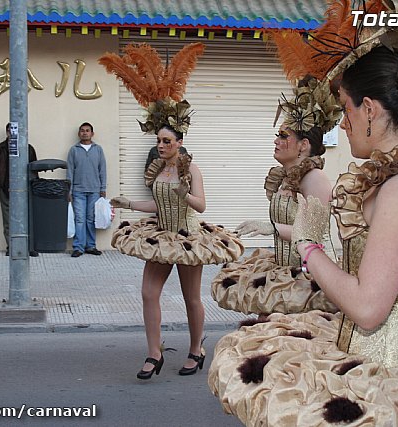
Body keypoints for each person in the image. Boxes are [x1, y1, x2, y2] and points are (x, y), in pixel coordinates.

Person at [208, 1, 398, 425]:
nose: (341, 124)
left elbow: (367, 308)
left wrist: (308, 247)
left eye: (345, 109)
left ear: (370, 109)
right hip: (365, 356)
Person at [100, 42, 244, 380]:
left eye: (167, 141)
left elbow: (200, 205)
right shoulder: (156, 168)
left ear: (179, 141)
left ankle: (197, 348)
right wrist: (128, 204)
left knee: (191, 297)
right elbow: (157, 203)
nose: (161, 145)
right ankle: (154, 353)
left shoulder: (191, 169)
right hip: (162, 234)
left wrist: (185, 193)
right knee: (148, 293)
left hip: (188, 235)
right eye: (158, 140)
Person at [211, 76, 340, 317]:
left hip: (307, 278)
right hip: (282, 271)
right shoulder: (284, 176)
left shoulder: (314, 178)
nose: (276, 140)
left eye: (283, 136)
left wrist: (271, 228)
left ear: (303, 145)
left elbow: (316, 237)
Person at [0, 123, 39, 257]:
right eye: (10, 131)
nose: (13, 134)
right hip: (6, 190)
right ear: (7, 132)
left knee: (27, 219)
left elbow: (34, 170)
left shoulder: (28, 149)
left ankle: (29, 247)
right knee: (8, 221)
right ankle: (11, 247)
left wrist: (33, 187)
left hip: (25, 191)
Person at [66, 122, 107, 258]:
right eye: (82, 131)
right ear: (79, 134)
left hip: (94, 190)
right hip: (78, 190)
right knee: (80, 219)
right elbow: (70, 171)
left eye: (87, 131)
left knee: (91, 219)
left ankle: (91, 246)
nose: (85, 133)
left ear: (92, 133)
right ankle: (78, 247)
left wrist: (103, 188)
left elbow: (102, 170)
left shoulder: (98, 149)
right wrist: (69, 190)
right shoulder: (74, 150)